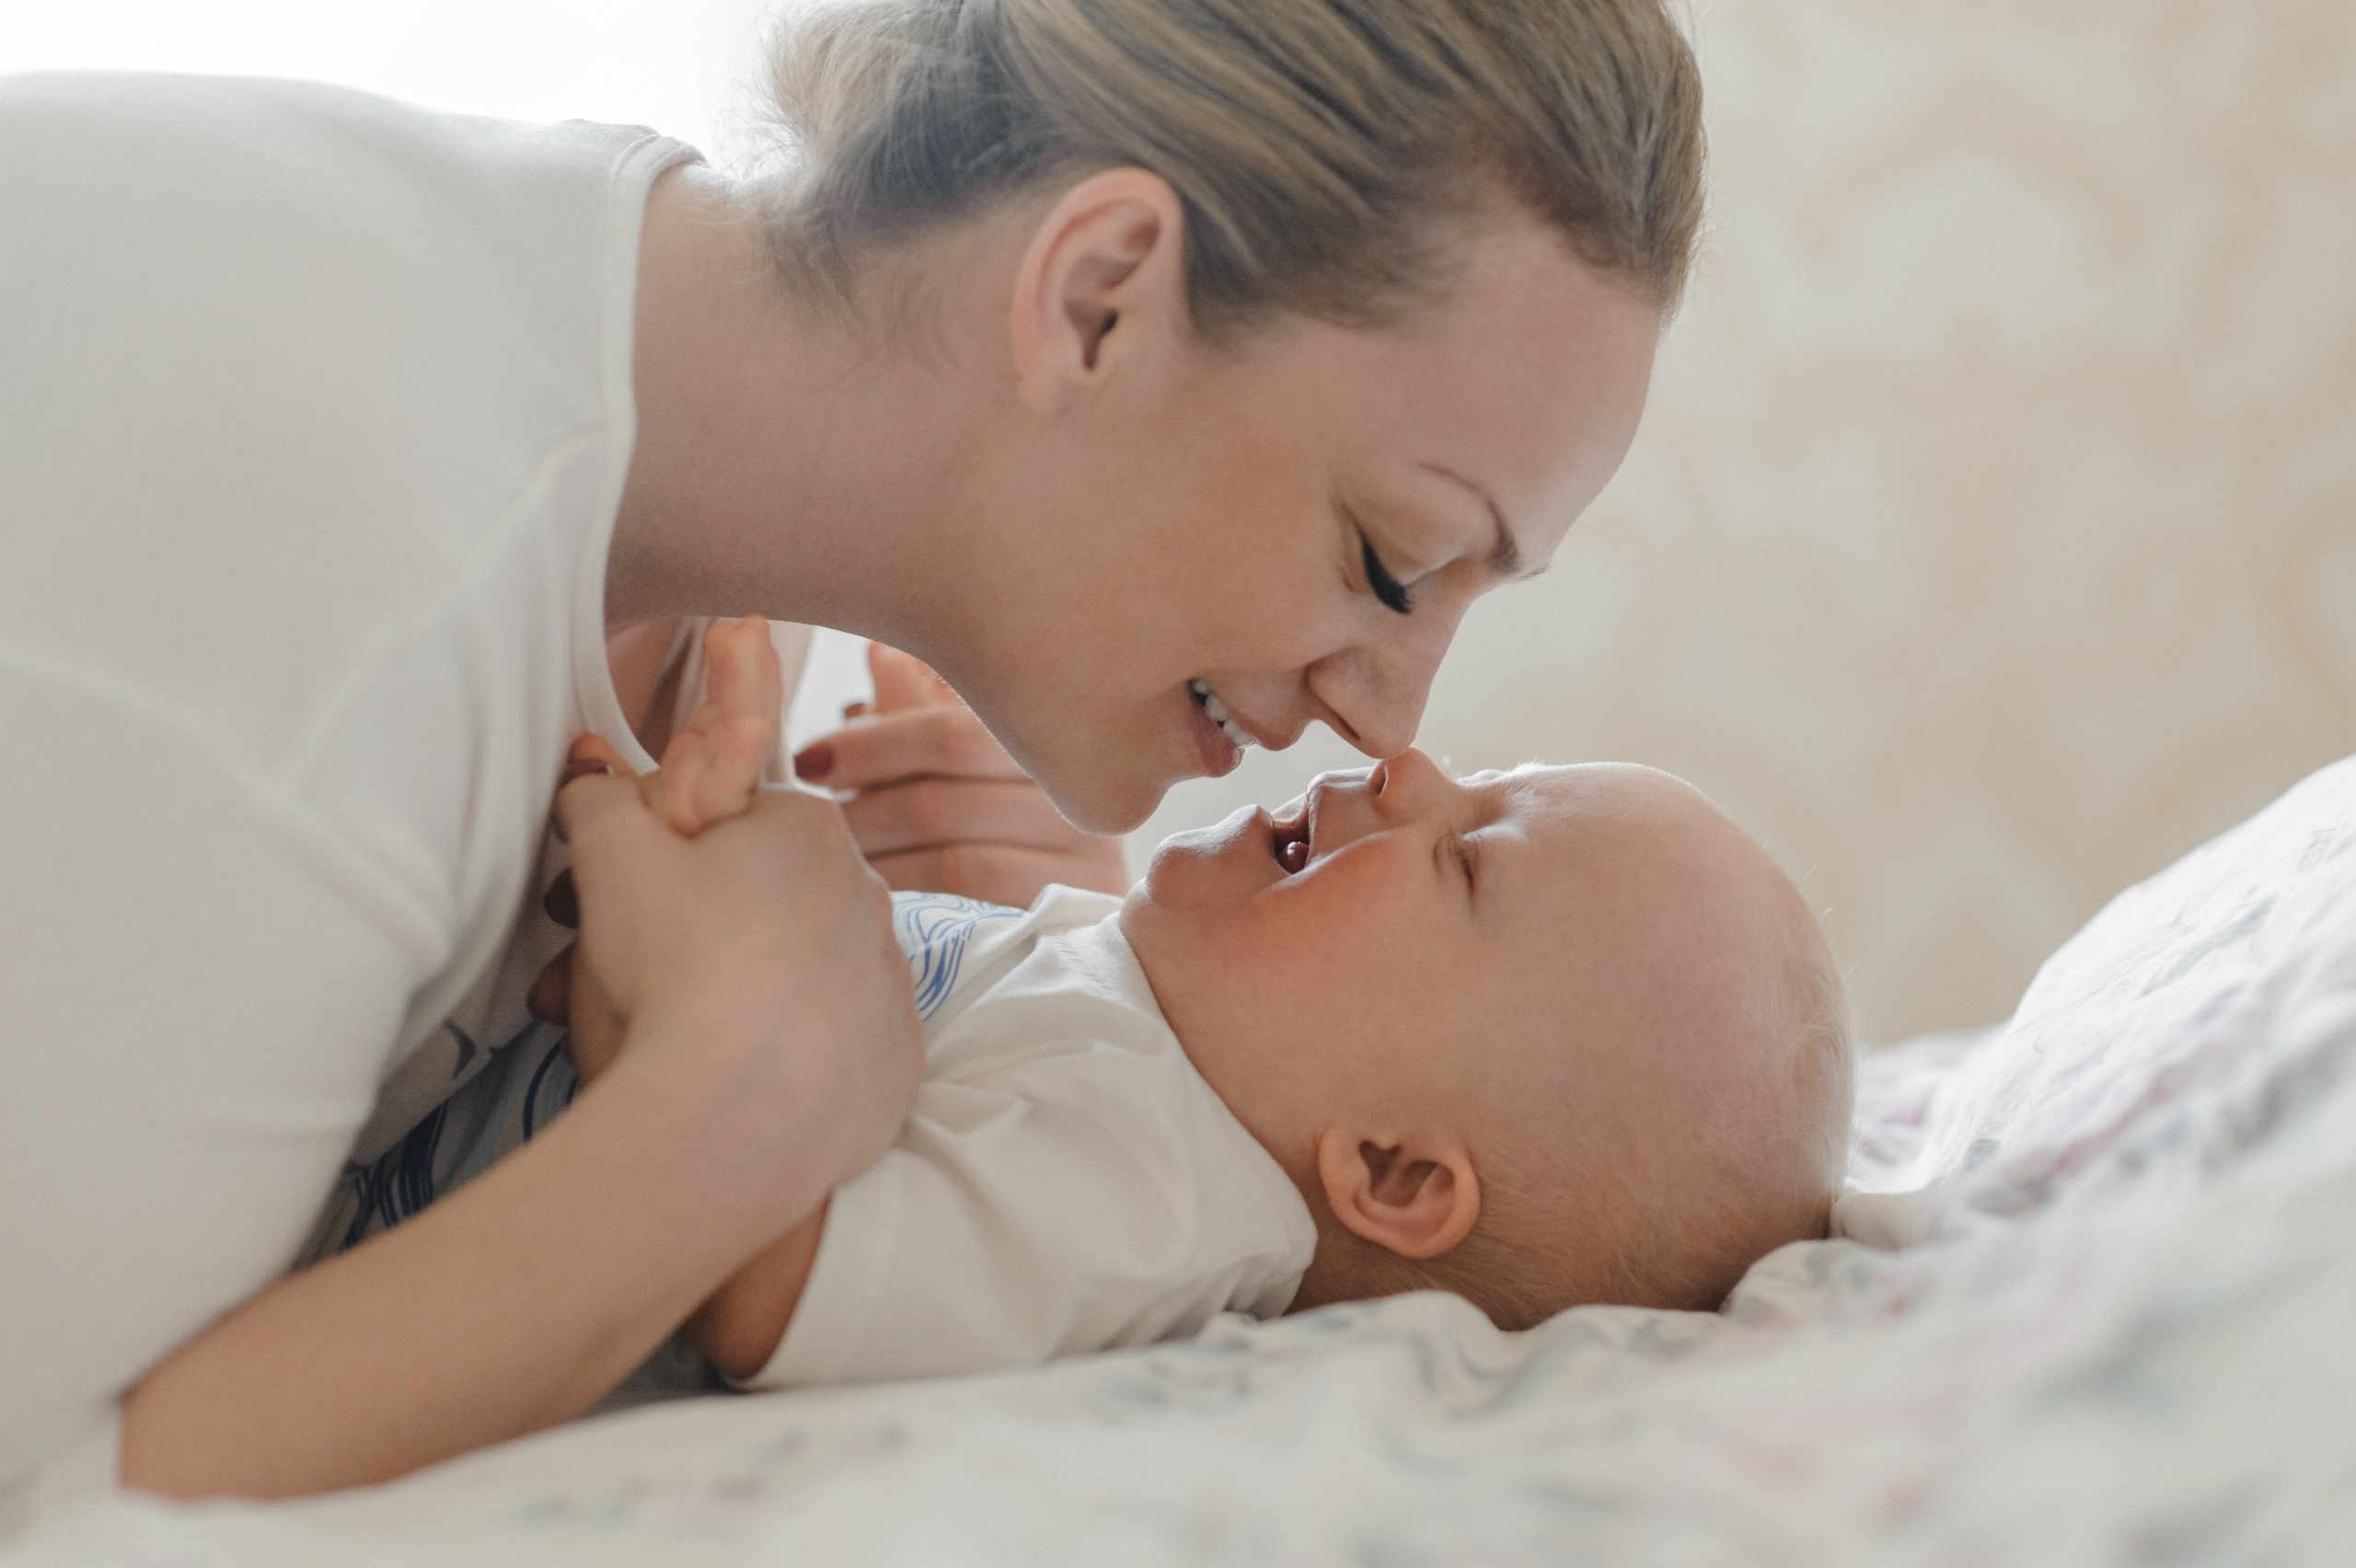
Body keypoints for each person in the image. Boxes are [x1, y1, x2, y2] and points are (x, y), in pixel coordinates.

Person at [0, 0, 1702, 1509]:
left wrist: (1056, 1005)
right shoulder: (327, 537)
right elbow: (58, 1512)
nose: (1390, 722)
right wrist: (737, 1111)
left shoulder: (712, 508)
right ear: (1098, 299)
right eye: (1392, 560)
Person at [314, 624, 1852, 1394]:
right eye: (1487, 776)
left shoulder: (1154, 1187)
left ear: (1388, 1173)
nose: (1407, 769)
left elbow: (774, 1276)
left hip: (359, 1304)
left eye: (1467, 860)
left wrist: (669, 951)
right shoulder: (1125, 1014)